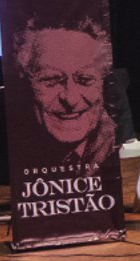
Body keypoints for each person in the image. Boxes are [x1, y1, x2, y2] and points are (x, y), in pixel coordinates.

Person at [15, 20, 116, 169]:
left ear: (103, 82)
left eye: (85, 79)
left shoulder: (113, 152)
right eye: (51, 79)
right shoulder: (20, 149)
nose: (70, 99)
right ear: (27, 81)